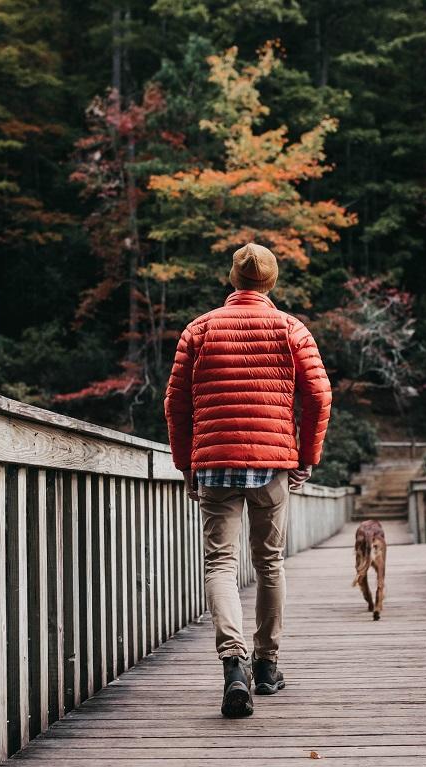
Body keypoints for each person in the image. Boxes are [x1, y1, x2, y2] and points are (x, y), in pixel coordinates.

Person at [164, 242, 332, 718]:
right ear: (271, 282)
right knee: (270, 563)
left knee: (220, 564)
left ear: (233, 280)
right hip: (272, 464)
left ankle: (233, 663)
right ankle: (266, 665)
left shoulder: (199, 329)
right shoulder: (290, 328)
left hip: (215, 464)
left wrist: (186, 465)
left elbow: (175, 404)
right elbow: (319, 396)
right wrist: (306, 456)